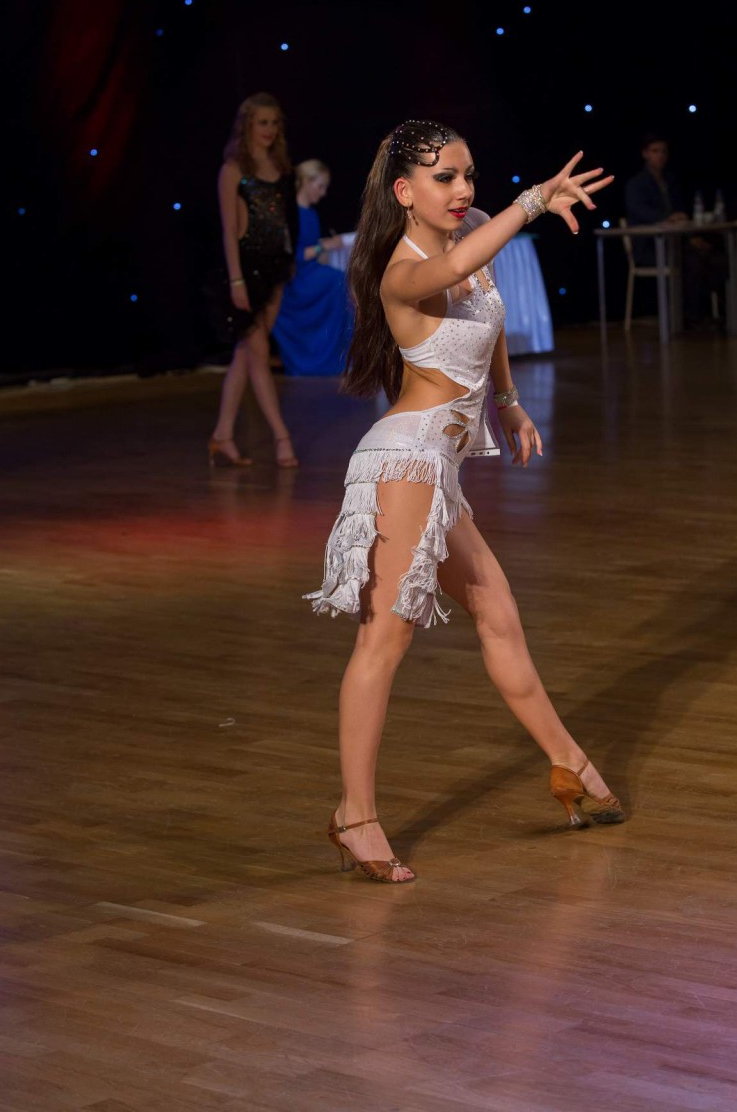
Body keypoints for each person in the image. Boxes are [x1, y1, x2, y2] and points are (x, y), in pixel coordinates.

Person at [304, 119, 624, 884]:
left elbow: (488, 308)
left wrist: (507, 401)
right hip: (403, 462)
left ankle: (569, 765)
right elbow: (465, 263)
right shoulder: (399, 270)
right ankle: (355, 815)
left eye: (468, 175)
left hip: (438, 470)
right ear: (402, 191)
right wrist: (532, 202)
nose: (462, 190)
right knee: (383, 641)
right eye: (444, 178)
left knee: (498, 614)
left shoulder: (470, 230)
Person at [208, 92, 300, 468]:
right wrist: (236, 281)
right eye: (263, 122)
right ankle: (282, 437)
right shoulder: (233, 169)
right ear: (247, 124)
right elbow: (229, 231)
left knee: (246, 354)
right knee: (257, 352)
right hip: (245, 272)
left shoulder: (281, 166)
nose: (269, 129)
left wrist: (288, 262)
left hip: (275, 268)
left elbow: (285, 221)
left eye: (274, 123)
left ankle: (221, 436)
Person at [624, 133, 726, 328]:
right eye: (655, 151)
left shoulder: (670, 180)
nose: (660, 156)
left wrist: (689, 234)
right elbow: (641, 211)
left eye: (663, 151)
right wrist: (667, 218)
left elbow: (680, 213)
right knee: (692, 261)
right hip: (651, 247)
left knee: (716, 258)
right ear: (645, 154)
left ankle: (727, 313)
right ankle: (689, 317)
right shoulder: (636, 184)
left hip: (677, 242)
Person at [272, 159, 354, 376]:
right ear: (306, 182)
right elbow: (295, 254)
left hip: (309, 271)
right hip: (296, 276)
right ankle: (325, 358)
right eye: (320, 186)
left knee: (342, 281)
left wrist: (323, 250)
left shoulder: (310, 213)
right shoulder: (292, 214)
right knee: (338, 282)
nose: (323, 192)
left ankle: (338, 355)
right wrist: (324, 246)